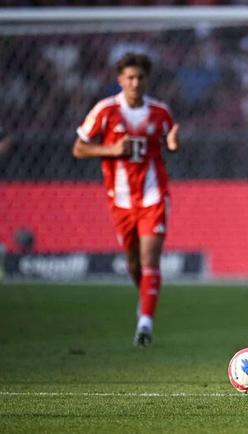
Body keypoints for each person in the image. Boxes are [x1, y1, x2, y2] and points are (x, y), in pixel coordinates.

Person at [73, 52, 180, 348]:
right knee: (133, 263)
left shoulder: (160, 112)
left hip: (153, 195)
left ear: (147, 80)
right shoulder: (105, 110)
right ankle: (144, 297)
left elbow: (170, 142)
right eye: (130, 77)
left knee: (149, 258)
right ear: (120, 80)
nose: (135, 83)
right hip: (120, 199)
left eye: (140, 77)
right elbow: (79, 148)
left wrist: (174, 145)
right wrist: (111, 150)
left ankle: (145, 323)